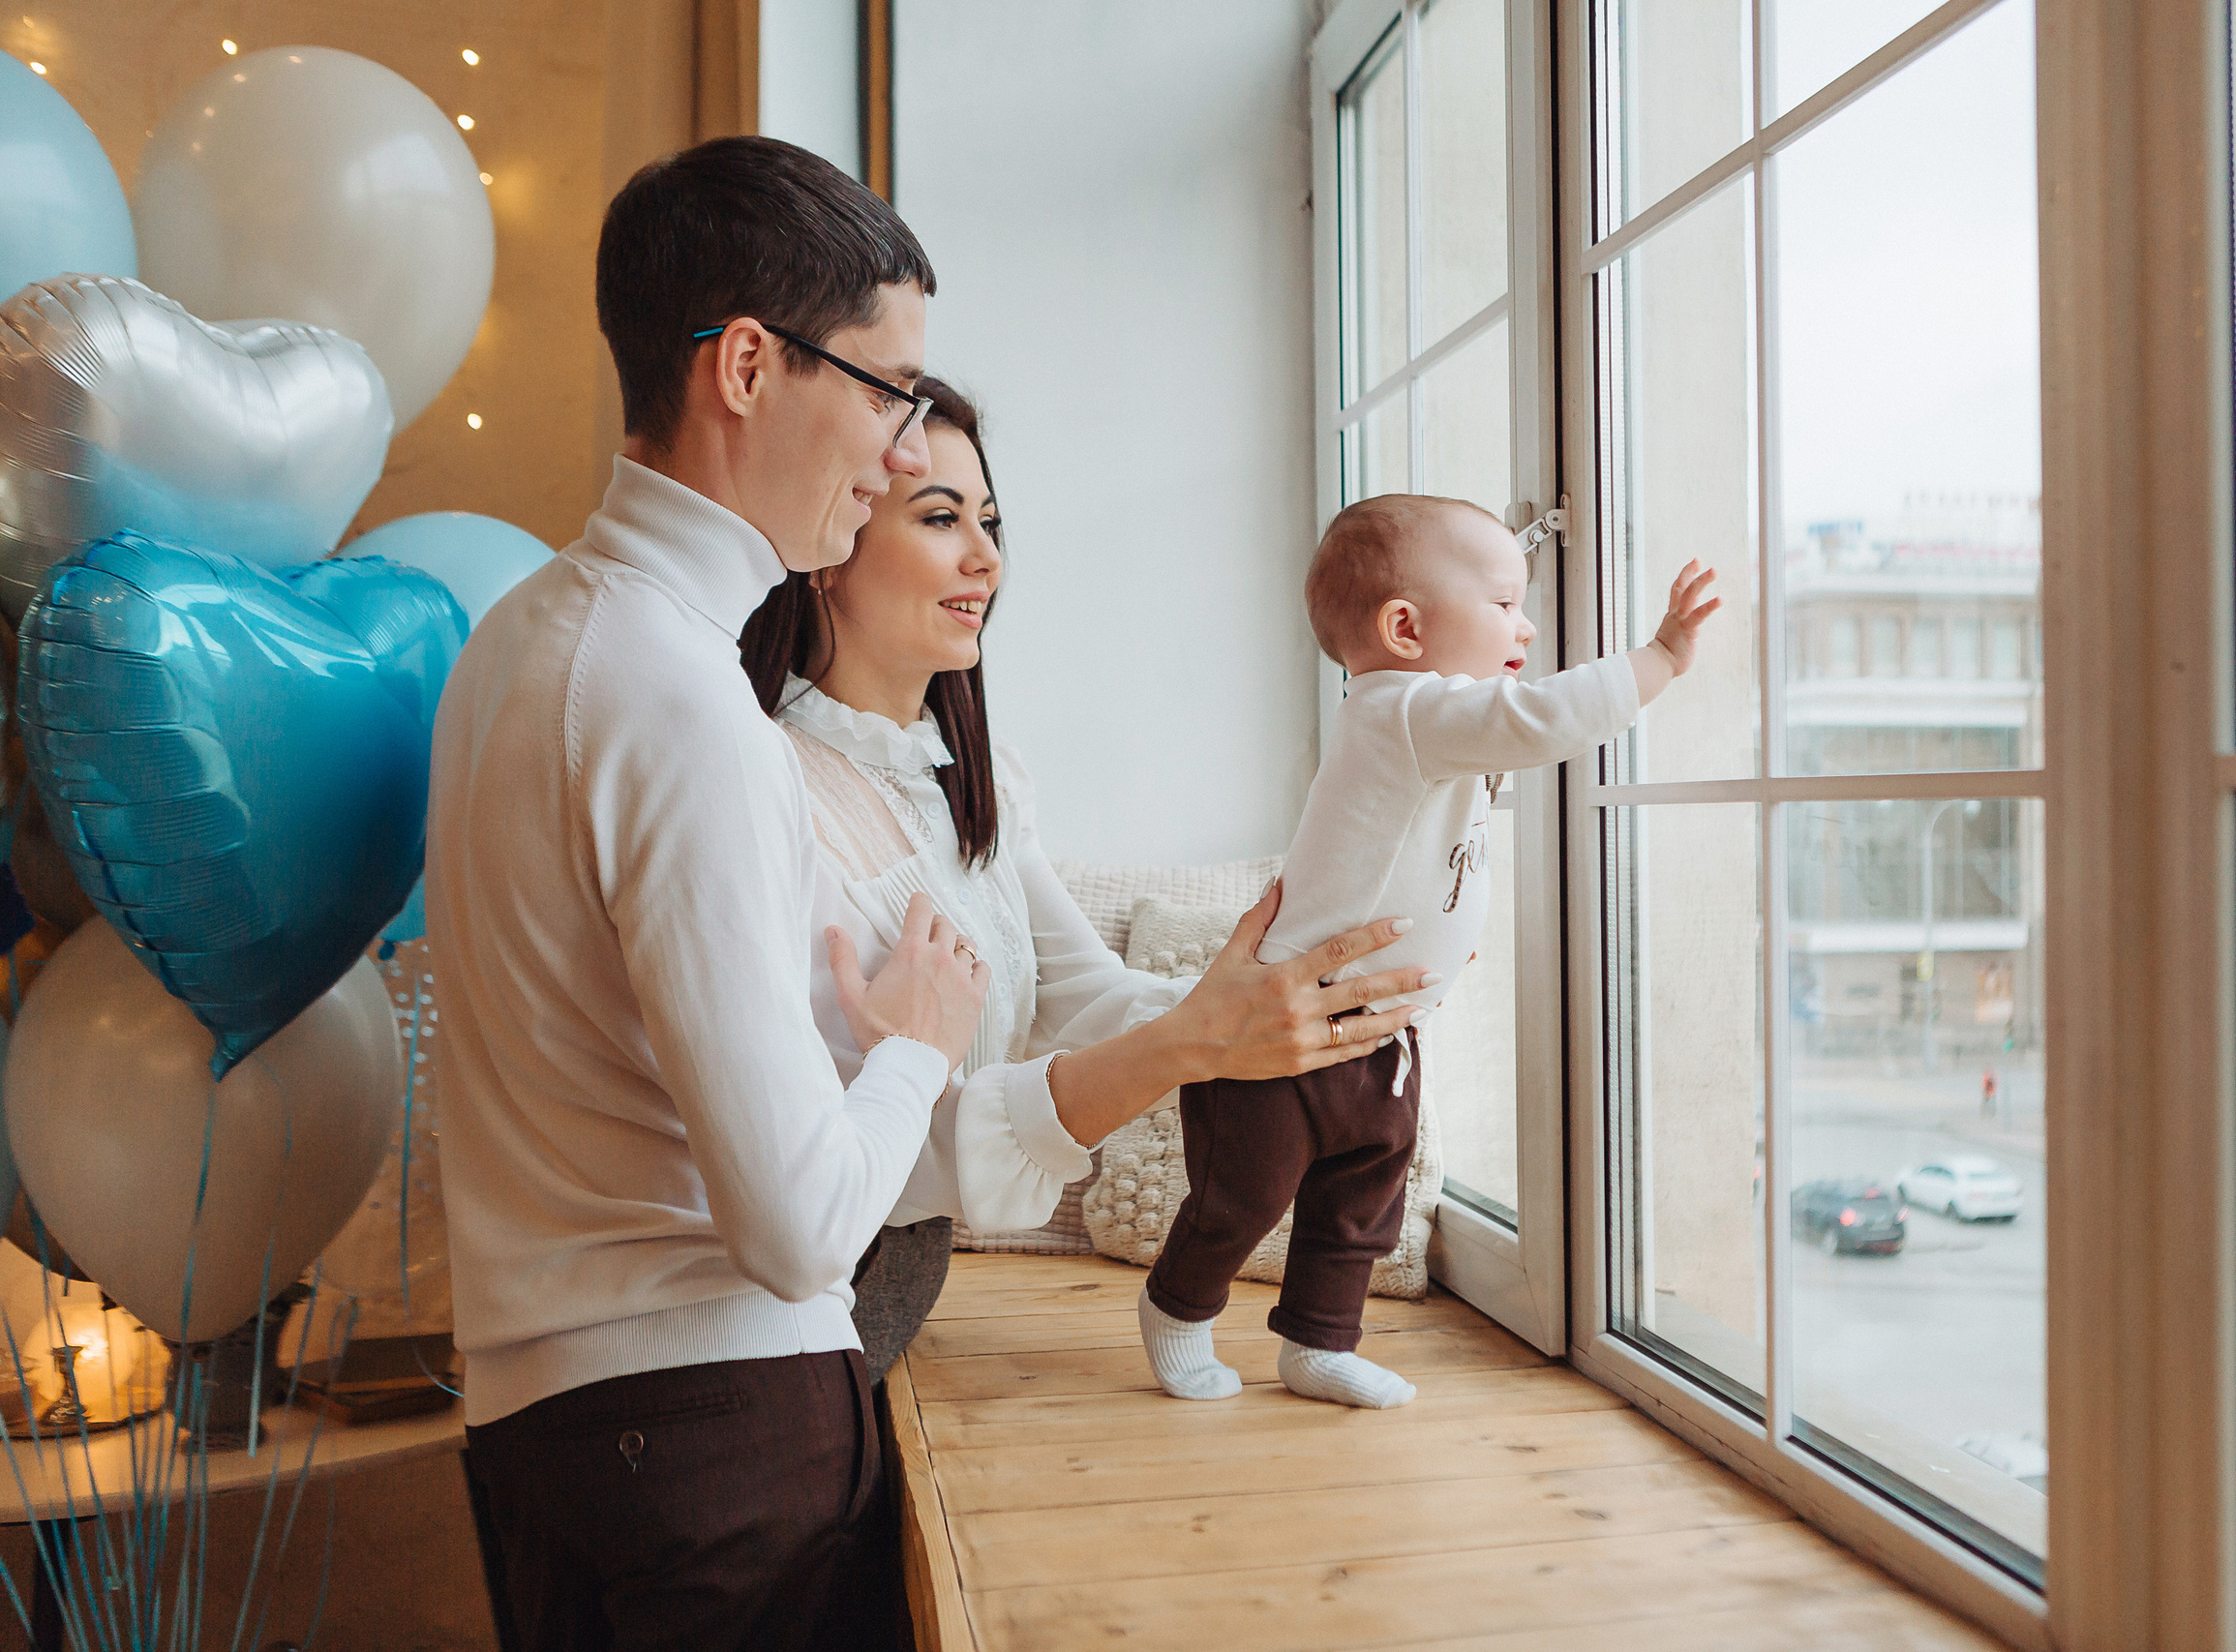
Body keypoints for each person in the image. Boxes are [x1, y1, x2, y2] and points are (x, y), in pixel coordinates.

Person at [432, 135, 1431, 1649]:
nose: (899, 439)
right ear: (750, 369)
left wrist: (1226, 1016)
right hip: (714, 1430)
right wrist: (913, 1037)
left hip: (552, 1430)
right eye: (888, 389)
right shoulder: (681, 701)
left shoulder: (525, 635)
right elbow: (797, 1226)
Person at [738, 376, 1446, 1375]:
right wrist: (1199, 1041)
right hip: (807, 1305)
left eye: (989, 520)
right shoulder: (768, 791)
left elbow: (1085, 997)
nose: (986, 557)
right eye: (939, 517)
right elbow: (860, 1166)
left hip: (898, 1284)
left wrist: (1271, 1017)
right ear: (827, 543)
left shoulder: (975, 782)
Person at [1139, 495, 1720, 1410]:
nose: (1525, 624)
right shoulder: (1404, 708)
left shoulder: (1423, 724)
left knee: (1360, 1203)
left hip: (1377, 1037)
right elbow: (1539, 719)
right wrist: (1659, 659)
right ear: (1405, 628)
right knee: (1237, 1201)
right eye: (1503, 603)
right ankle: (1177, 1308)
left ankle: (1317, 1343)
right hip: (1278, 1036)